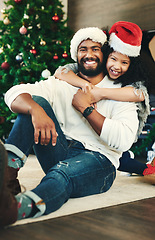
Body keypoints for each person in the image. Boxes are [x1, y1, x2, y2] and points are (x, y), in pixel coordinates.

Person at [0, 23, 142, 227]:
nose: (89, 54)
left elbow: (124, 141)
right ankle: (7, 181)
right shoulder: (62, 83)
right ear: (76, 55)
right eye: (83, 49)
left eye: (95, 49)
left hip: (99, 161)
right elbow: (14, 93)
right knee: (32, 103)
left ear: (104, 54)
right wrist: (36, 109)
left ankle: (15, 208)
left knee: (61, 174)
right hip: (59, 150)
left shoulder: (118, 91)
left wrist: (87, 109)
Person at [54, 22, 155, 181]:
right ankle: (133, 162)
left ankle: (146, 169)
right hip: (92, 136)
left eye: (124, 62)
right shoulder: (94, 67)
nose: (116, 66)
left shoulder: (129, 80)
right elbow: (61, 72)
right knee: (118, 158)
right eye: (113, 59)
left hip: (114, 133)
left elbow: (140, 94)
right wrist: (85, 85)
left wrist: (99, 93)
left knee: (119, 158)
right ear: (106, 55)